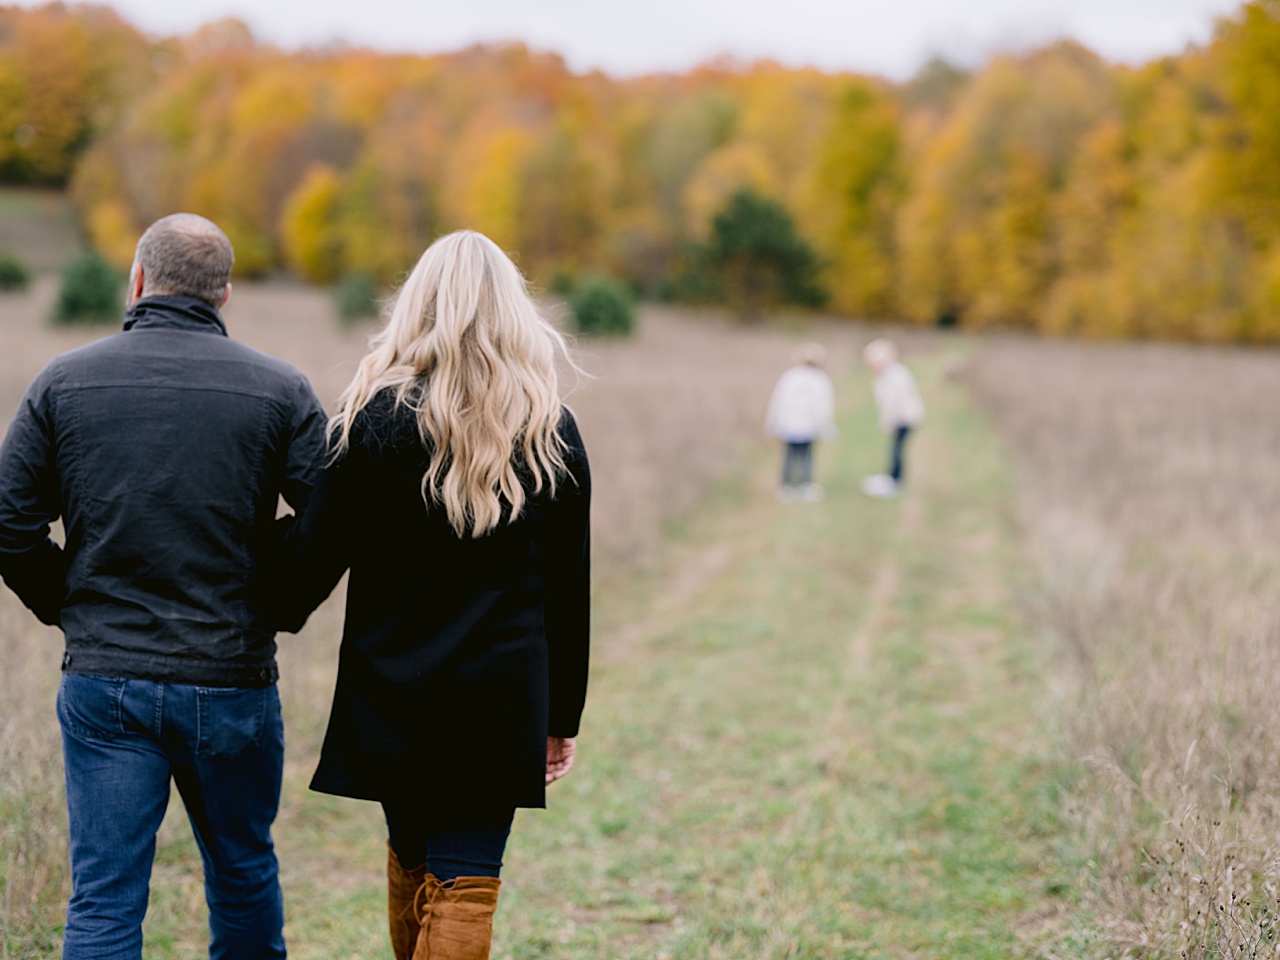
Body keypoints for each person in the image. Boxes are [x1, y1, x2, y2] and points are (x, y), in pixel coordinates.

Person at [0, 214, 328, 959]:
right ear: (225, 295)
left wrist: (72, 606)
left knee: (105, 898)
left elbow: (7, 525)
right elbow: (333, 523)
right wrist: (272, 604)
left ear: (138, 281)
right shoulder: (281, 390)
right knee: (243, 873)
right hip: (233, 679)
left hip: (106, 683)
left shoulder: (63, 380)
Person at [270, 230, 592, 960]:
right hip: (501, 697)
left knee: (416, 860)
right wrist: (560, 712)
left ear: (416, 308)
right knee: (463, 877)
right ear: (514, 315)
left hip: (394, 690)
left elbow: (308, 565)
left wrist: (228, 552)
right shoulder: (550, 432)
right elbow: (570, 590)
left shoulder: (371, 422)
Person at [764, 342, 836, 502]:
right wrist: (826, 426)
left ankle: (789, 486)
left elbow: (778, 401)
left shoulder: (790, 376)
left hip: (792, 424)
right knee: (804, 455)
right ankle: (802, 485)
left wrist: (773, 422)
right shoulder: (819, 379)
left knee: (791, 455)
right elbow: (824, 406)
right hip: (804, 426)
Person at [861, 338, 924, 498]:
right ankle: (893, 479)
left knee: (897, 450)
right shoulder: (889, 374)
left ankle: (895, 482)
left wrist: (891, 421)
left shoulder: (894, 375)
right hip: (901, 418)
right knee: (895, 449)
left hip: (903, 418)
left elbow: (895, 401)